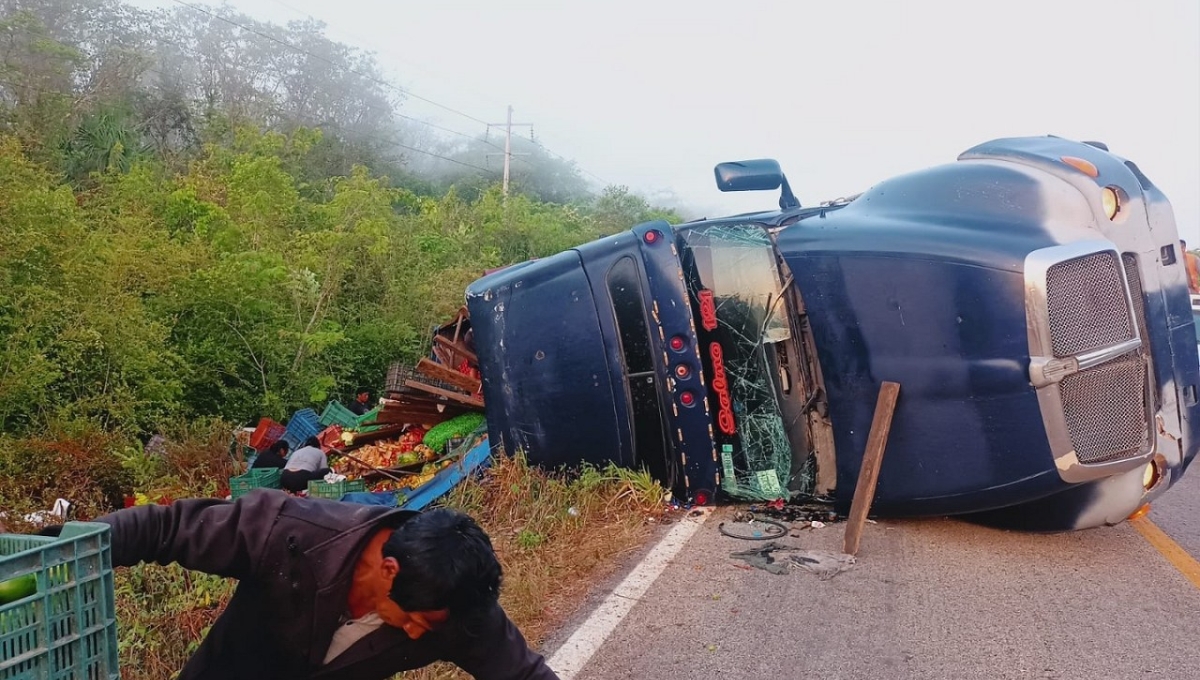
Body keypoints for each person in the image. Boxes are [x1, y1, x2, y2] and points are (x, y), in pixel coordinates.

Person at [89, 495, 558, 679]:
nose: (419, 635)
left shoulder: (454, 607)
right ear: (389, 570)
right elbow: (167, 528)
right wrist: (62, 553)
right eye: (414, 621)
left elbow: (522, 676)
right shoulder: (290, 533)